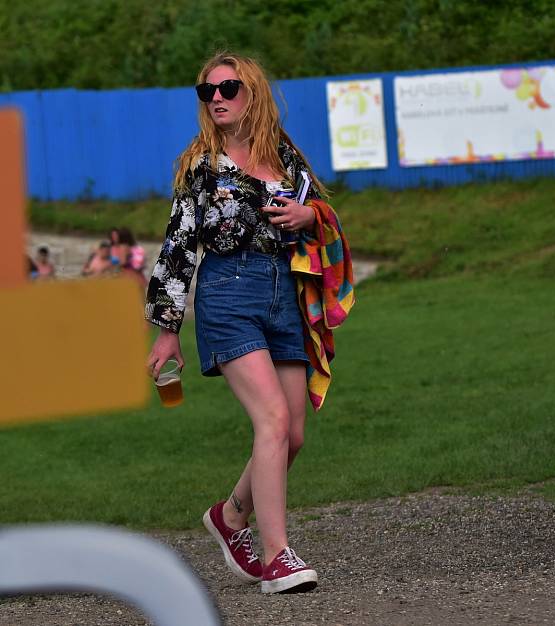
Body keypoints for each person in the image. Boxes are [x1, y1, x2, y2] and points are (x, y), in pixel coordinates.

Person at [144, 52, 354, 594]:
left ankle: (231, 516)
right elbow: (177, 246)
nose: (216, 98)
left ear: (251, 93)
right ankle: (277, 555)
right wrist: (167, 329)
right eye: (207, 91)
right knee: (272, 422)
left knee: (295, 434)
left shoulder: (284, 155)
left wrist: (311, 216)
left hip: (284, 293)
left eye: (228, 88)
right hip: (226, 294)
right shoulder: (200, 165)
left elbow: (319, 213)